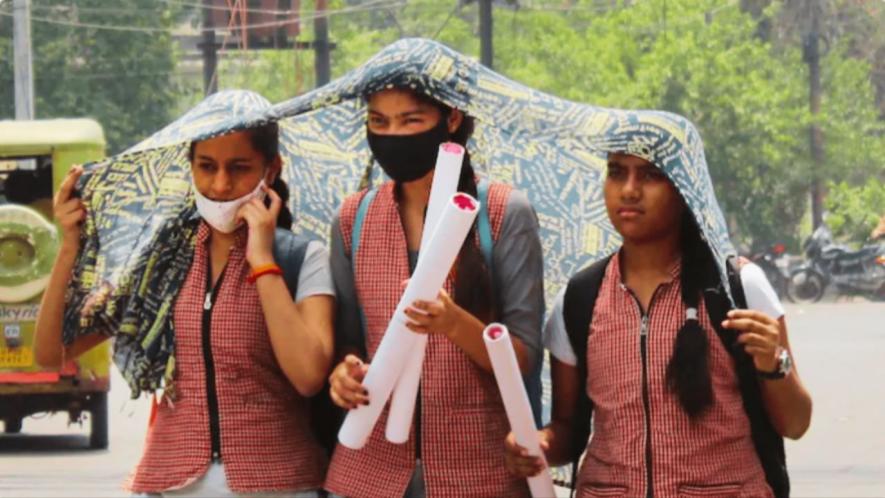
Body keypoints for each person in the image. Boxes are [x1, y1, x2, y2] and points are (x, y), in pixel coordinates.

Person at [34, 124, 335, 497]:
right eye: (207, 166)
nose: (221, 185)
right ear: (190, 168)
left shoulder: (303, 257)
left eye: (239, 168)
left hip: (279, 481)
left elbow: (308, 375)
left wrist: (262, 262)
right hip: (172, 479)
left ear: (270, 170)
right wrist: (70, 245)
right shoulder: (159, 263)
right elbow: (51, 353)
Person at [505, 151, 813, 497]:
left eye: (650, 176)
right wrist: (540, 444)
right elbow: (568, 430)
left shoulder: (736, 288)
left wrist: (774, 363)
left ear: (684, 189)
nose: (629, 191)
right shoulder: (581, 298)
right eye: (617, 173)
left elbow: (796, 423)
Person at [324, 87, 545, 498]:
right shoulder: (353, 218)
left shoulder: (501, 213)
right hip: (368, 473)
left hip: (478, 474)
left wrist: (453, 323)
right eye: (378, 122)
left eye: (411, 121)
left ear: (452, 118)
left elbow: (523, 357)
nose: (393, 135)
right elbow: (346, 341)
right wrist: (343, 374)